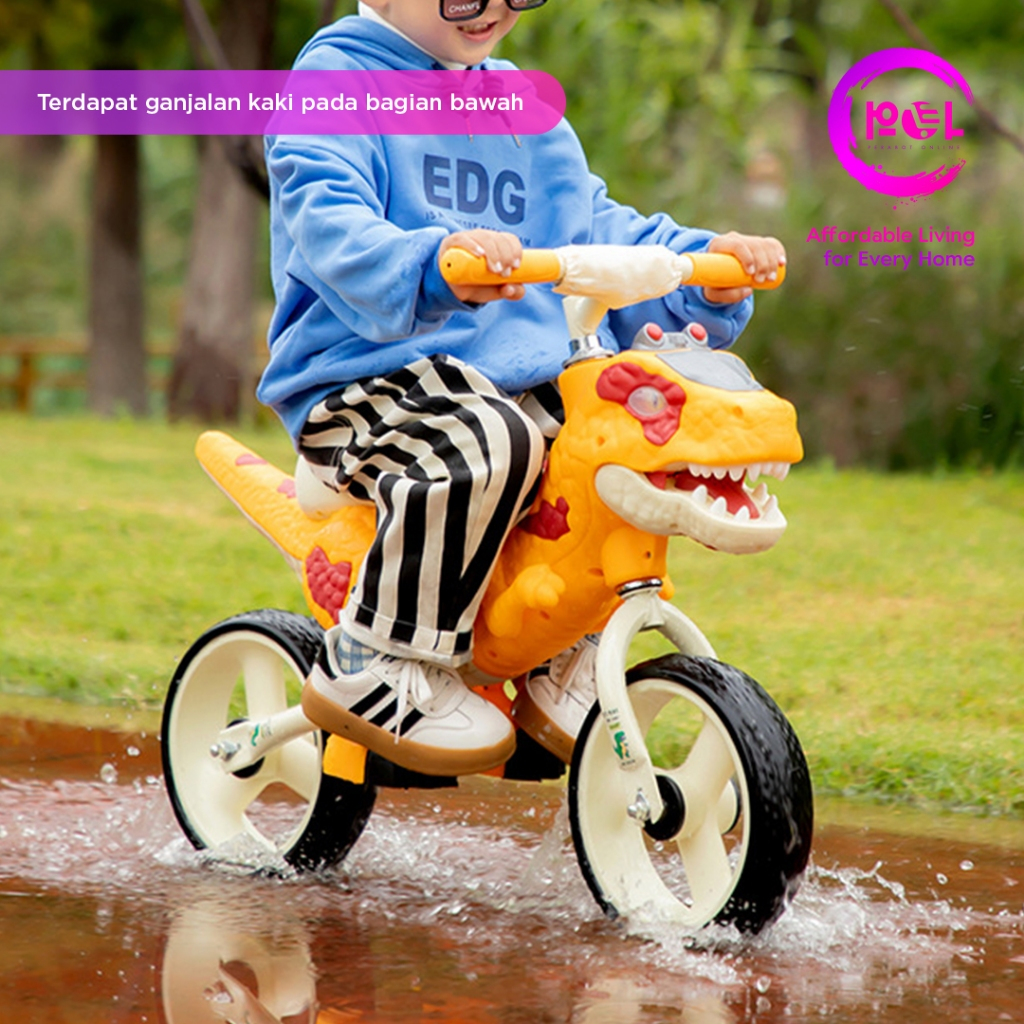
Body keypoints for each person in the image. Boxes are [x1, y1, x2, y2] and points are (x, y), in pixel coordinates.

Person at [257, 0, 786, 777]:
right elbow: (331, 224)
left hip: (513, 377)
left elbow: (597, 229)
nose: (494, 10)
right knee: (486, 439)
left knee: (609, 433)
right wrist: (433, 263)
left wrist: (703, 266)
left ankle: (567, 641)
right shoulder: (336, 81)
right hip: (364, 375)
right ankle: (379, 656)